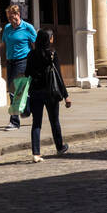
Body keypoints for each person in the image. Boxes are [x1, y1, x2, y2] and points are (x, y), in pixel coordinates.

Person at [26, 26, 71, 162]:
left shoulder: (31, 54)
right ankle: (59, 147)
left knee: (36, 123)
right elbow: (58, 76)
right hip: (50, 92)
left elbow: (27, 73)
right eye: (52, 37)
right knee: (54, 121)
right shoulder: (52, 54)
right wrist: (66, 95)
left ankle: (36, 153)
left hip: (35, 92)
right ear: (49, 39)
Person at [0, 3, 38, 130]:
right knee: (12, 91)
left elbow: (35, 46)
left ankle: (14, 122)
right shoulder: (7, 28)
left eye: (13, 17)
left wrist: (37, 62)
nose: (12, 21)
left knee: (17, 91)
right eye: (9, 18)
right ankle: (27, 109)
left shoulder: (28, 28)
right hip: (10, 62)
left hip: (23, 62)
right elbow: (3, 44)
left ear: (18, 14)